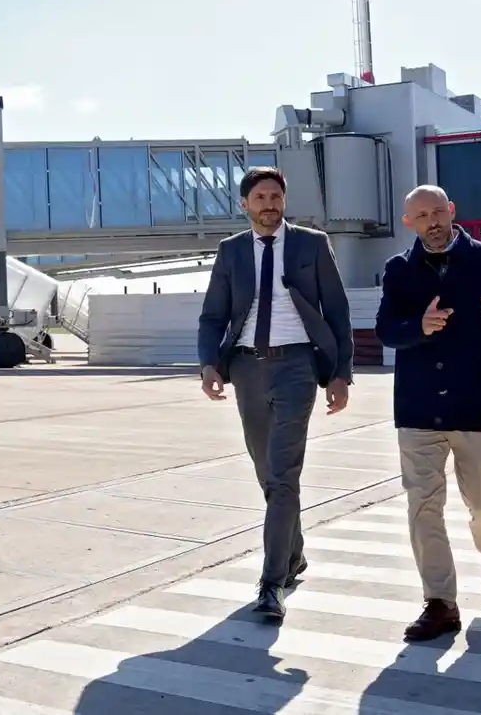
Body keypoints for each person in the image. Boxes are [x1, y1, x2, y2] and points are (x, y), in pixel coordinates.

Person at [374, 184, 481, 641]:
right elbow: (386, 329)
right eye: (422, 215)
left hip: (479, 405)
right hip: (418, 408)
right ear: (409, 222)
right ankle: (440, 602)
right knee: (423, 507)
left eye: (438, 211)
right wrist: (417, 326)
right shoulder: (399, 269)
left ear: (452, 210)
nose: (433, 221)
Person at [197, 165, 354, 620]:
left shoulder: (312, 244)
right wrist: (209, 364)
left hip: (297, 367)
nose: (269, 204)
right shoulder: (231, 251)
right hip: (246, 368)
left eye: (276, 196)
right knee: (268, 474)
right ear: (245, 204)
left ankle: (271, 584)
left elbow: (337, 312)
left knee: (284, 474)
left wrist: (341, 374)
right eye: (261, 198)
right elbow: (213, 315)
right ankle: (293, 554)